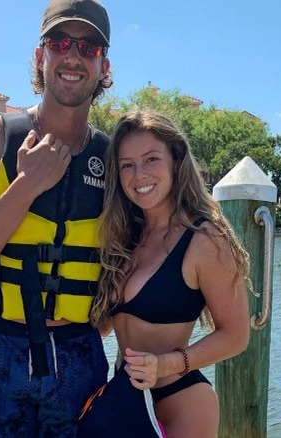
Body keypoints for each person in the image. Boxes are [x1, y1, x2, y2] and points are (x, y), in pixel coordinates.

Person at [0, 0, 113, 436]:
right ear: (40, 56)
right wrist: (27, 185)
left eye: (88, 48)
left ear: (103, 66)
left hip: (79, 354)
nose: (72, 55)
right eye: (59, 42)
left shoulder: (114, 159)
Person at [78, 110, 252, 437]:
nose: (139, 174)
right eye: (127, 164)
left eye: (151, 159)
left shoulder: (205, 239)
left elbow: (236, 335)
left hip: (181, 401)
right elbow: (104, 326)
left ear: (176, 160)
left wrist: (165, 365)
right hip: (123, 398)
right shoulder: (124, 237)